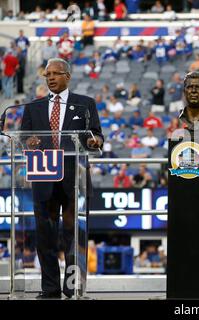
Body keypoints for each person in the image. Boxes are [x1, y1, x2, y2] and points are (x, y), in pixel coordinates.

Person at [20, 58, 103, 299]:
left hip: (74, 181)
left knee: (73, 236)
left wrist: (93, 141)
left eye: (56, 74)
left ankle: (73, 286)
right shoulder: (33, 107)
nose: (51, 78)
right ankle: (50, 289)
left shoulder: (85, 104)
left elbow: (96, 134)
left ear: (68, 76)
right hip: (44, 179)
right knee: (45, 238)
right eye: (47, 75)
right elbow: (24, 137)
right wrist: (29, 142)